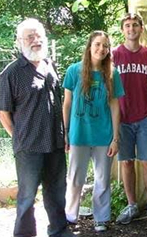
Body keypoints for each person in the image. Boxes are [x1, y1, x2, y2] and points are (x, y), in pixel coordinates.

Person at [0, 18, 74, 237]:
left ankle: (59, 230)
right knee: (27, 196)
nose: (35, 40)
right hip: (29, 146)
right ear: (20, 41)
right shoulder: (11, 73)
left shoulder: (50, 65)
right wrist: (18, 137)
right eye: (29, 37)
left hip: (55, 142)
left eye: (38, 36)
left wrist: (64, 133)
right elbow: (3, 113)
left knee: (57, 191)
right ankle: (24, 234)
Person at [63, 31, 124, 232]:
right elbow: (68, 103)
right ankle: (70, 216)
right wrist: (66, 132)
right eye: (98, 44)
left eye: (105, 46)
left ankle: (101, 218)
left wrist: (115, 138)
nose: (101, 49)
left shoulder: (112, 74)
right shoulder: (74, 71)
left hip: (103, 136)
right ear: (89, 46)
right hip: (79, 135)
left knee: (102, 179)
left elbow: (115, 106)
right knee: (75, 178)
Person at [112, 13, 147, 224]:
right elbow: (107, 86)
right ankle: (131, 204)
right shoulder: (114, 54)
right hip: (122, 118)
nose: (131, 28)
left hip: (145, 117)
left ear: (141, 28)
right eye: (127, 25)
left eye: (135, 25)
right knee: (126, 162)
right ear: (122, 30)